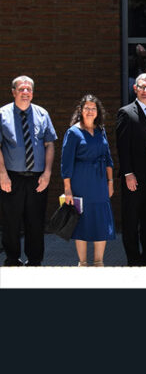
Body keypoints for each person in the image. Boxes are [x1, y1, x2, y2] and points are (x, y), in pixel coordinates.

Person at [0, 75, 57, 267]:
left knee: (35, 221)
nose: (25, 92)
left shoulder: (42, 114)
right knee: (11, 221)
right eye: (21, 89)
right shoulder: (3, 114)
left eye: (29, 89)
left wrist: (47, 173)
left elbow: (49, 144)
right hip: (11, 178)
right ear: (13, 92)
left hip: (37, 178)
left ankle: (34, 260)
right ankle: (12, 259)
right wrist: (2, 174)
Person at [60, 95, 115, 266]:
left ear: (98, 112)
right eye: (87, 108)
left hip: (99, 183)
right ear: (81, 111)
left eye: (93, 108)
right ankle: (82, 263)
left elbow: (107, 158)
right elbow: (66, 162)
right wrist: (67, 189)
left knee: (101, 219)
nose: (90, 111)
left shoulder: (101, 130)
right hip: (80, 182)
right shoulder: (73, 132)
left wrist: (110, 182)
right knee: (81, 221)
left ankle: (99, 262)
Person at [115, 72, 146, 266]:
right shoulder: (126, 112)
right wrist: (127, 173)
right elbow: (122, 147)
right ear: (135, 88)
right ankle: (133, 260)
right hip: (133, 177)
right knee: (131, 221)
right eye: (142, 87)